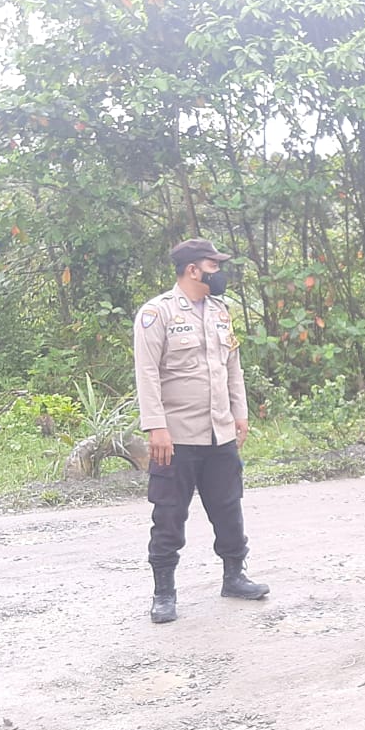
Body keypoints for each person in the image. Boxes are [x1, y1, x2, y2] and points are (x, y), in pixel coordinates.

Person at [132, 238, 269, 623]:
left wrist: (240, 413)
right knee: (169, 514)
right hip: (176, 437)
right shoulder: (157, 314)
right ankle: (164, 592)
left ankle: (234, 577)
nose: (220, 273)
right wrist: (156, 426)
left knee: (228, 507)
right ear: (193, 270)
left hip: (219, 433)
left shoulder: (220, 311)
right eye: (213, 266)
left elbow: (232, 366)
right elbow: (147, 373)